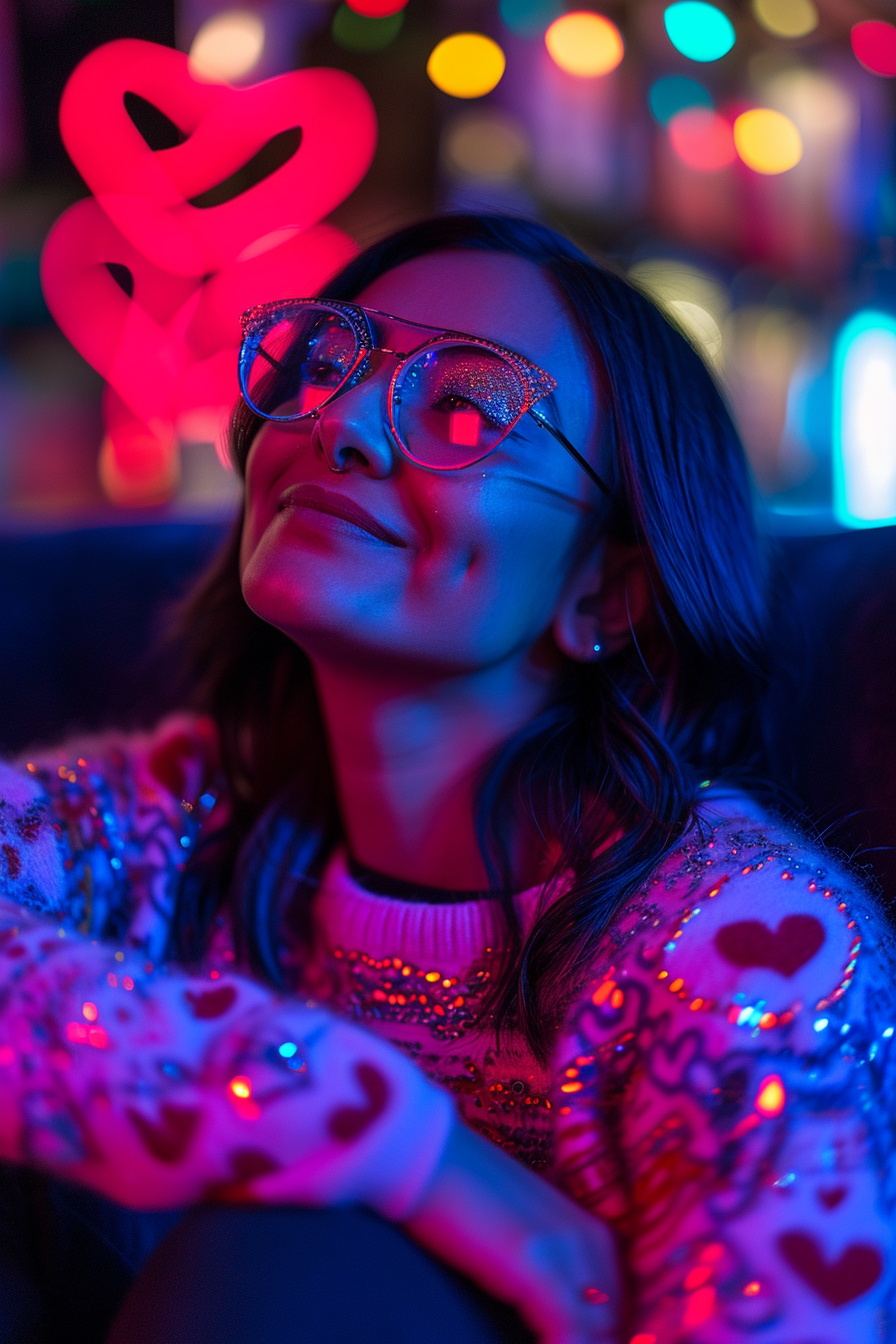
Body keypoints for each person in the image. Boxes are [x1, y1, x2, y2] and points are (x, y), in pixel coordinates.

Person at [0, 214, 893, 1344]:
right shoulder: (170, 820)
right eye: (323, 365)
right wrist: (407, 1154)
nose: (342, 424)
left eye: (467, 409)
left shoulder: (747, 944)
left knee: (284, 1265)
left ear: (606, 594)